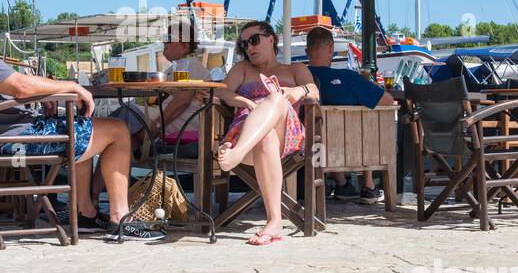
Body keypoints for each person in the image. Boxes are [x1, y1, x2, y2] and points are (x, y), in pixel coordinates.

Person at [0, 0, 164, 241]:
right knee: (117, 130)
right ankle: (121, 219)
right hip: (11, 140)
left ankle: (85, 212)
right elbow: (19, 86)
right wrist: (70, 86)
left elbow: (6, 87)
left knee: (82, 124)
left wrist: (43, 93)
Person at [217, 20, 318, 246]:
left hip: (286, 136)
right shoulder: (242, 69)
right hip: (248, 133)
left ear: (271, 38)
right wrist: (247, 102)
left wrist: (297, 91)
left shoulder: (295, 69)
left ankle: (235, 152)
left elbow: (314, 91)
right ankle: (274, 221)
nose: (249, 47)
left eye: (254, 40)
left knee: (277, 98)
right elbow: (223, 93)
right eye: (244, 44)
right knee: (266, 138)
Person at [304, 26, 394, 204]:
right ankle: (368, 186)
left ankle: (342, 184)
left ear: (307, 51)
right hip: (354, 150)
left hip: (313, 150)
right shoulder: (347, 77)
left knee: (323, 128)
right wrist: (369, 85)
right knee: (370, 117)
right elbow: (388, 100)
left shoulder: (299, 79)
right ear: (331, 48)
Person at [146, 19, 211, 154]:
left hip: (182, 124)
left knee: (125, 120)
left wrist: (157, 126)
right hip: (171, 120)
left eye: (169, 39)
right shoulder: (176, 67)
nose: (164, 43)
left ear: (185, 46)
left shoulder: (190, 66)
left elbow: (182, 102)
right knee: (124, 119)